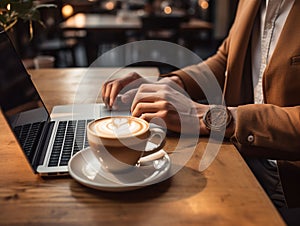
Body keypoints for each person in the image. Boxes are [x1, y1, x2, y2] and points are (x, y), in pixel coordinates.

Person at [101, 0, 300, 208]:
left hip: (286, 187)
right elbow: (226, 59)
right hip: (239, 158)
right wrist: (171, 83)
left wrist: (210, 117)